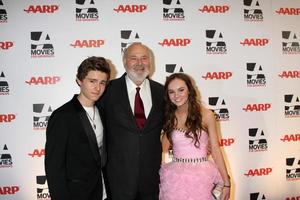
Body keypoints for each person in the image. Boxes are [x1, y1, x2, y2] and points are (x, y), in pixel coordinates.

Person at [99, 42, 164, 200]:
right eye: (133, 58)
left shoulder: (162, 92)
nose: (140, 63)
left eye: (144, 58)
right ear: (124, 62)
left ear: (150, 61)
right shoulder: (107, 91)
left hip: (152, 182)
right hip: (117, 182)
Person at [44, 56, 111, 200]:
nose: (97, 88)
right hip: (77, 194)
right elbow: (54, 168)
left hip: (102, 192)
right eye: (92, 81)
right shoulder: (62, 116)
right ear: (79, 80)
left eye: (102, 82)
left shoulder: (102, 111)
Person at [159, 73, 231, 200]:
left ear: (189, 90)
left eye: (181, 90)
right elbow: (163, 148)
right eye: (171, 92)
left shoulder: (206, 115)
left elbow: (215, 149)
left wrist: (226, 183)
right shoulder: (169, 116)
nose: (176, 95)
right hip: (175, 179)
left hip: (202, 176)